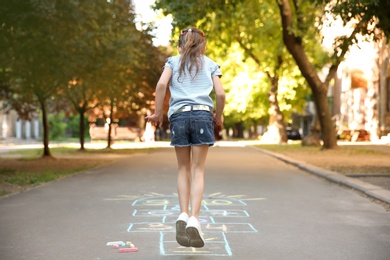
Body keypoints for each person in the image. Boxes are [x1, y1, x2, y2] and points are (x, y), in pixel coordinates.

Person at [145, 27, 225, 248]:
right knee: (197, 170)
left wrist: (158, 113)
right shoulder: (211, 64)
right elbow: (220, 94)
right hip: (201, 114)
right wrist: (218, 116)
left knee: (183, 168)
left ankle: (182, 214)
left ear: (180, 46)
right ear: (204, 45)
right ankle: (194, 219)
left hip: (179, 116)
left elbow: (161, 85)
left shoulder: (172, 62)